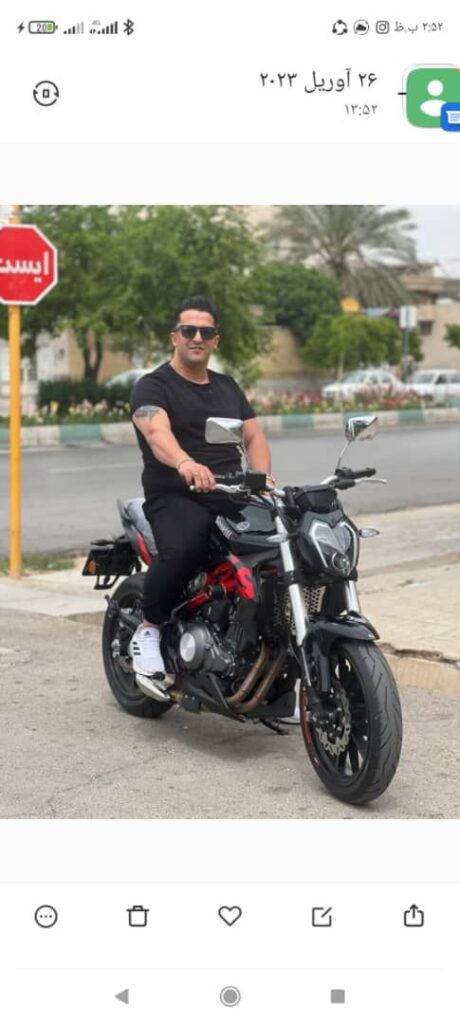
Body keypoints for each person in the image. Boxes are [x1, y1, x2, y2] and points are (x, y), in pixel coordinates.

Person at [129, 295, 274, 696]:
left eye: (205, 332)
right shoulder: (153, 385)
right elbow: (156, 432)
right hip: (177, 493)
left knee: (276, 548)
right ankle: (150, 628)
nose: (197, 337)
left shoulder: (227, 387)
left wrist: (261, 476)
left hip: (230, 492)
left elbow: (253, 436)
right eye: (189, 330)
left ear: (215, 340)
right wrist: (185, 463)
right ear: (174, 336)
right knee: (184, 547)